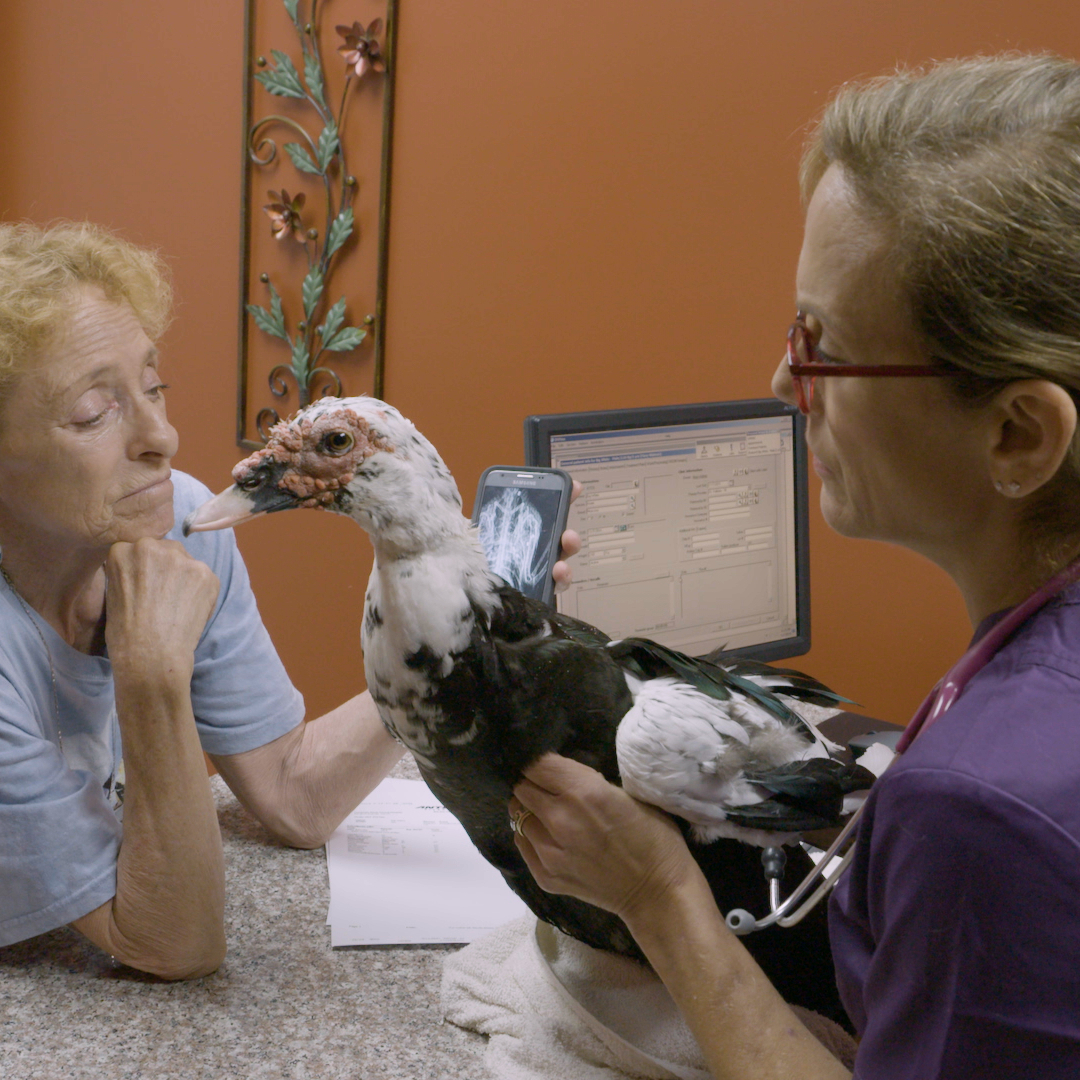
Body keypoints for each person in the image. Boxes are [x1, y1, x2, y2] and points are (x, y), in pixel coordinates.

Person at [509, 53, 1080, 1079]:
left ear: (1017, 436)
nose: (784, 379)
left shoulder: (978, 810)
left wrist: (657, 897)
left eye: (824, 346)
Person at [0, 221, 579, 981]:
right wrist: (151, 679)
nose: (163, 436)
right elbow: (168, 942)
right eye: (93, 412)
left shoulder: (180, 522)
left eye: (153, 387)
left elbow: (294, 795)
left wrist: (457, 639)